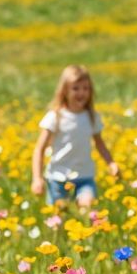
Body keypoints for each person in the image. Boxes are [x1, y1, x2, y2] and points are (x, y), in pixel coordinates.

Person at [30, 65, 119, 208]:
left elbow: (100, 144)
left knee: (87, 208)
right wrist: (37, 178)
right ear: (64, 90)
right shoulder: (55, 117)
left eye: (86, 88)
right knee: (58, 221)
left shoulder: (92, 117)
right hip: (58, 178)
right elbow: (39, 149)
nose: (81, 93)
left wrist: (111, 163)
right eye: (76, 88)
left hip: (85, 178)